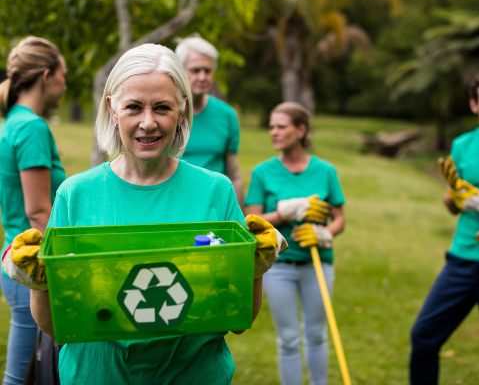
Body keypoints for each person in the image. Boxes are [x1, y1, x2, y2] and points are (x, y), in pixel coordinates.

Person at [4, 43, 284, 384]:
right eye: (134, 107)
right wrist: (39, 282)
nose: (147, 123)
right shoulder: (75, 195)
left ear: (182, 110)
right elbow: (58, 326)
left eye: (162, 107)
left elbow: (239, 320)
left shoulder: (216, 191)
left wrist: (254, 268)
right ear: (112, 108)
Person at [410, 65, 479, 384]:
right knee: (423, 338)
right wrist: (455, 196)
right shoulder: (462, 146)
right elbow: (451, 204)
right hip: (462, 259)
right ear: (475, 105)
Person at [245, 101, 346, 385]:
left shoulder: (326, 171)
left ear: (301, 130)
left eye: (281, 126)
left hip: (318, 264)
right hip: (279, 265)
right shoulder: (263, 172)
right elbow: (251, 221)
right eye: (271, 127)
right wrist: (284, 212)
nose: (274, 132)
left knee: (316, 334)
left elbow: (340, 219)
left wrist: (326, 234)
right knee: (288, 339)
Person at [0, 36, 66, 385]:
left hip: (15, 256)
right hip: (30, 265)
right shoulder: (31, 127)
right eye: (62, 76)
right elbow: (39, 211)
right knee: (22, 376)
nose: (64, 85)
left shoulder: (13, 122)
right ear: (45, 75)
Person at [174, 36, 244, 206]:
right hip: (174, 202)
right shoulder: (165, 112)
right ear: (180, 71)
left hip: (214, 204)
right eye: (195, 70)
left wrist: (239, 221)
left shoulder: (226, 114)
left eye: (208, 70)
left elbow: (234, 175)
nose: (203, 77)